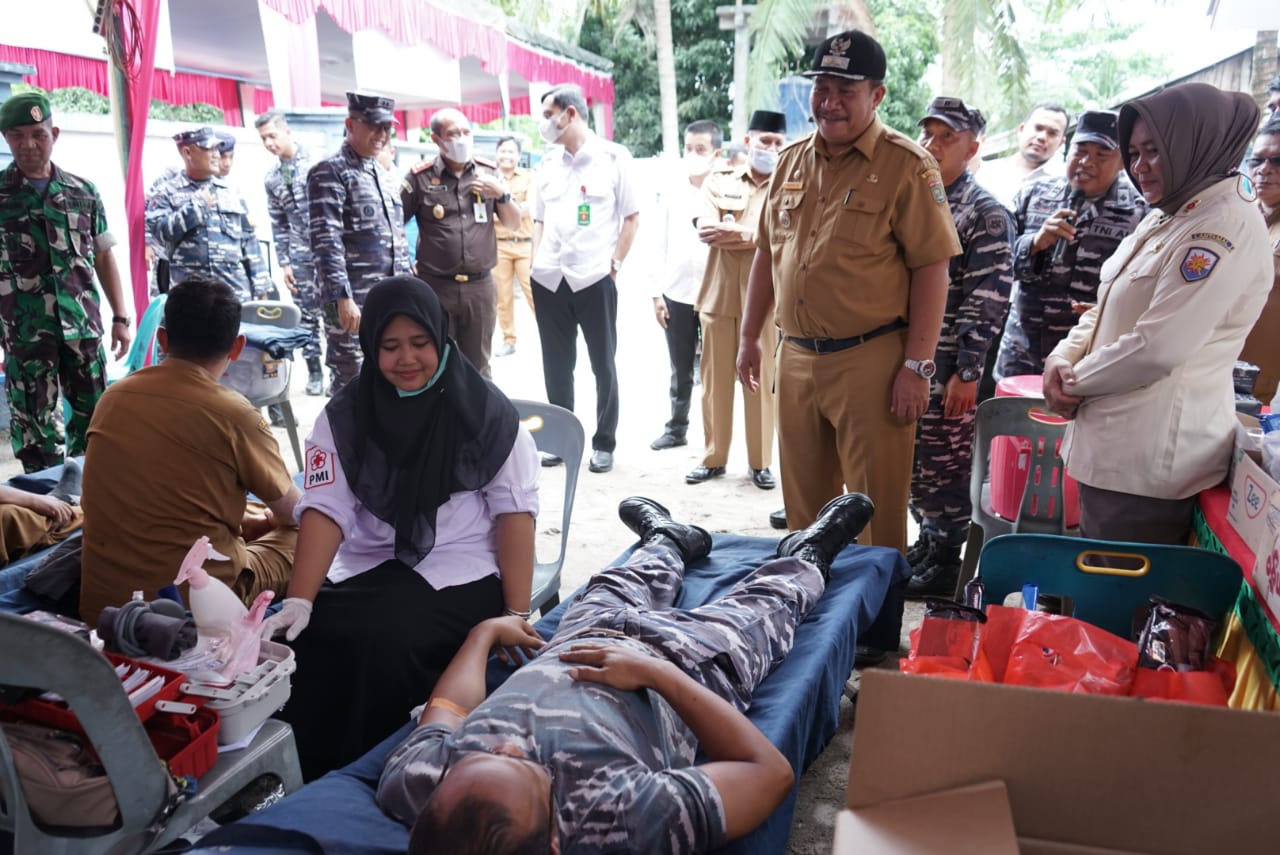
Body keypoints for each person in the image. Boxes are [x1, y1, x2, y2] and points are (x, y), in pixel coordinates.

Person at [376, 492, 875, 853]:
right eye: (526, 767)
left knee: (618, 584)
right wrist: (656, 673)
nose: (507, 745)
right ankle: (809, 554)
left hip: (580, 638)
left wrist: (482, 634)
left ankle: (668, 540)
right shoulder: (620, 819)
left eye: (477, 756)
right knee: (766, 609)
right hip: (687, 666)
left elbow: (451, 709)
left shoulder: (419, 785)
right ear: (554, 840)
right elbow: (768, 774)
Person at [261, 275, 538, 780]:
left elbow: (515, 514)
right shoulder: (343, 417)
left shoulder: (487, 415)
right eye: (389, 346)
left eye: (419, 343)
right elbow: (325, 509)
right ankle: (308, 778)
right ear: (371, 348)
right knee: (305, 641)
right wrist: (300, 598)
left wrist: (515, 613)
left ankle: (380, 773)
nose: (405, 359)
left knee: (386, 642)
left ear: (441, 338)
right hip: (369, 568)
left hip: (462, 570)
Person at [737, 29, 961, 552]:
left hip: (872, 361)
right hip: (795, 357)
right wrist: (750, 339)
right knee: (805, 511)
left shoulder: (907, 166)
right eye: (822, 89)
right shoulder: (791, 160)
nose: (830, 102)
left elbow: (933, 269)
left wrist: (917, 366)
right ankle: (812, 616)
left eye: (846, 90)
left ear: (876, 95)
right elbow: (768, 255)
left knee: (873, 509)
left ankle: (876, 629)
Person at [1043, 83, 1271, 544]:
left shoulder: (1220, 225)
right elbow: (1107, 304)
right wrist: (1060, 358)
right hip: (1113, 449)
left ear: (1194, 144)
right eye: (1134, 152)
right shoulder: (1171, 211)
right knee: (1098, 598)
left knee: (1118, 605)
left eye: (1155, 151)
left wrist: (1073, 382)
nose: (1140, 166)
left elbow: (1157, 347)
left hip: (1145, 465)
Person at [79, 278, 300, 627]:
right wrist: (270, 522)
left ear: (162, 339)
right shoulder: (236, 414)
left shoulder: (113, 397)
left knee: (245, 508)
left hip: (103, 604)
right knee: (309, 534)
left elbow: (162, 491)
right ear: (237, 347)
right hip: (194, 606)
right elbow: (294, 515)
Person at [904, 97, 1013, 597]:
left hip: (950, 366)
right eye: (928, 134)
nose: (932, 144)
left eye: (947, 137)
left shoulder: (985, 212)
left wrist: (968, 371)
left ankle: (946, 560)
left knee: (944, 467)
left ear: (972, 146)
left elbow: (989, 297)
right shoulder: (916, 198)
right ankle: (928, 542)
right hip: (911, 359)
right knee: (915, 463)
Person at [0, 92, 132, 473]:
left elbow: (104, 255)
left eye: (38, 134)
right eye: (17, 135)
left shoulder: (83, 192)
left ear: (54, 133)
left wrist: (121, 317)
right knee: (34, 429)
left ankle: (94, 497)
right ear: (6, 137)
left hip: (83, 329)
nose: (28, 145)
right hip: (25, 332)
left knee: (98, 422)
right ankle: (46, 506)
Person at [531, 83, 640, 475]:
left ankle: (604, 442)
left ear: (570, 113)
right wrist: (534, 264)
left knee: (602, 364)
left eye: (549, 114)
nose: (545, 123)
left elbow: (631, 218)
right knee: (556, 366)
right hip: (550, 279)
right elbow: (538, 221)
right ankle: (560, 441)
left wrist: (615, 265)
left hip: (595, 277)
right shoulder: (547, 164)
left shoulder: (614, 157)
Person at [995, 110, 1147, 382]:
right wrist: (1034, 244)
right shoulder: (1033, 194)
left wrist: (1110, 311)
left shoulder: (1139, 214)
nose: (1087, 162)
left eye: (1101, 154)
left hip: (1084, 360)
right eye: (1081, 150)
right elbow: (997, 263)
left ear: (1123, 161)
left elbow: (1144, 288)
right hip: (1021, 353)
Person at [687, 110, 787, 491]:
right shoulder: (719, 180)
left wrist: (740, 233)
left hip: (767, 303)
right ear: (748, 141)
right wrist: (759, 236)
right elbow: (707, 230)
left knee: (761, 383)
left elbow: (786, 238)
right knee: (714, 384)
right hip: (719, 295)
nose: (771, 148)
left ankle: (760, 463)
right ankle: (714, 457)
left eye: (778, 143)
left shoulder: (789, 185)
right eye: (765, 141)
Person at [401, 109, 520, 377]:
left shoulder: (489, 173)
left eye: (467, 132)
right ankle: (441, 419)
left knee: (478, 366)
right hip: (436, 287)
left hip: (480, 288)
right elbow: (393, 224)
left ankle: (478, 419)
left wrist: (502, 194)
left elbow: (514, 223)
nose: (462, 139)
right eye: (454, 133)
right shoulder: (419, 177)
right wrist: (405, 266)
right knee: (437, 364)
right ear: (436, 139)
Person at [309, 92, 412, 395]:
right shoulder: (329, 172)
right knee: (352, 379)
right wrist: (342, 297)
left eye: (387, 128)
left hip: (388, 298)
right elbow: (326, 241)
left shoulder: (380, 173)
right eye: (374, 127)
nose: (381, 135)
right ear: (350, 124)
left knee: (387, 375)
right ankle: (343, 442)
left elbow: (395, 239)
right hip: (352, 301)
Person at [649, 119, 720, 454]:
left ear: (716, 153)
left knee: (716, 369)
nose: (693, 154)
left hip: (717, 295)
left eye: (701, 149)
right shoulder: (673, 191)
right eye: (689, 148)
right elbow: (657, 243)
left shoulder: (725, 190)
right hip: (676, 294)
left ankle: (717, 438)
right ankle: (677, 428)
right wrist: (655, 293)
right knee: (680, 369)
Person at [146, 126, 273, 302]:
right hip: (190, 298)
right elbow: (159, 235)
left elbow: (249, 241)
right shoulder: (165, 192)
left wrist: (262, 289)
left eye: (216, 149)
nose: (216, 155)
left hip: (233, 295)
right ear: (188, 152)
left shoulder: (231, 191)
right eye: (208, 149)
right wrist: (195, 208)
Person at [257, 110, 325, 396]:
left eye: (272, 135)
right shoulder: (271, 178)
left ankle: (341, 370)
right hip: (299, 256)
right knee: (306, 316)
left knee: (336, 314)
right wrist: (284, 262)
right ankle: (315, 373)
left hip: (330, 250)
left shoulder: (318, 165)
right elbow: (279, 222)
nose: (269, 143)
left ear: (288, 132)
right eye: (263, 139)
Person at [1240, 117, 1280, 399]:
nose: (1265, 170)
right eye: (1257, 161)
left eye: (1278, 161)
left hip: (1271, 389)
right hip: (1221, 373)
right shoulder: (1237, 216)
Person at [974, 103, 1069, 210]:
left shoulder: (1064, 185)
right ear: (1021, 129)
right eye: (1038, 128)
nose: (1042, 137)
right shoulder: (986, 173)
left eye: (1052, 133)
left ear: (1061, 142)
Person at [491, 136, 536, 358]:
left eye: (511, 152)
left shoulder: (528, 178)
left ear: (519, 155)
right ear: (497, 153)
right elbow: (484, 213)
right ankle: (509, 339)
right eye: (503, 151)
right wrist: (512, 211)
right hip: (499, 246)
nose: (507, 156)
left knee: (534, 292)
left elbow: (530, 207)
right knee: (503, 296)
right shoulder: (490, 179)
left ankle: (550, 334)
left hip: (525, 245)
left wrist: (501, 212)